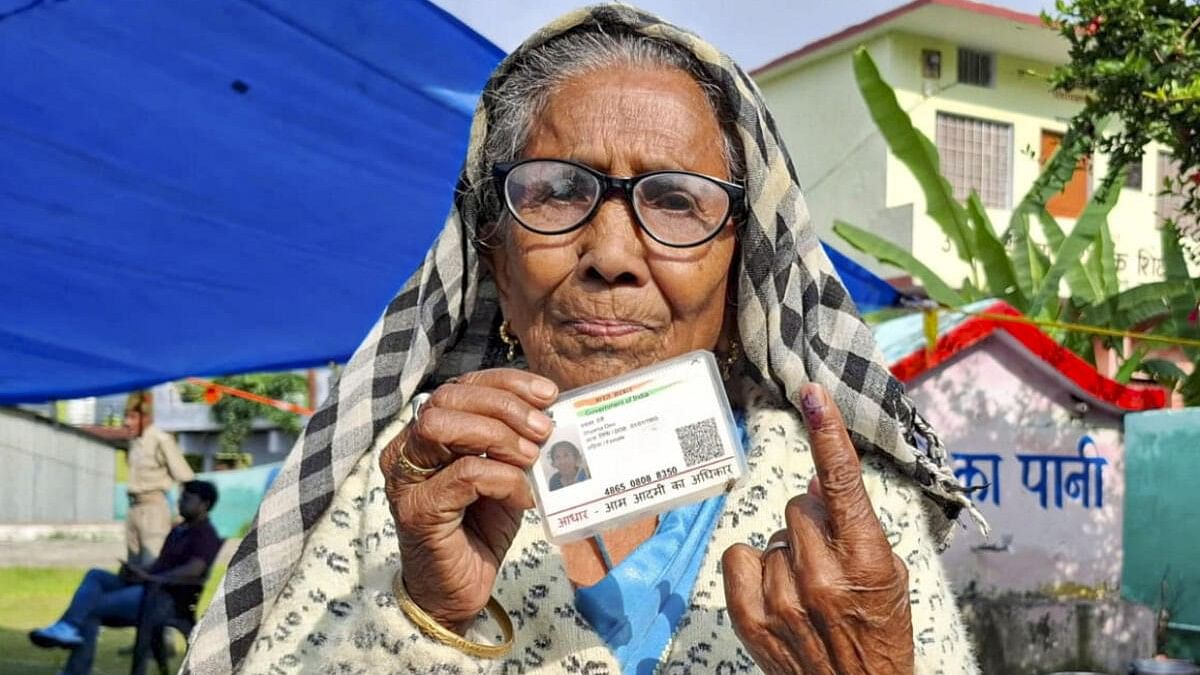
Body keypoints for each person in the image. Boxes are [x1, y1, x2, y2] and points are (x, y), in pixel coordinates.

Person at [184, 6, 985, 674]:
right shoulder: (385, 490)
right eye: (558, 192)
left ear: (742, 258)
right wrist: (430, 610)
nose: (610, 255)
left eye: (675, 200)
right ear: (493, 249)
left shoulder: (855, 519)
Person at [30, 480, 222, 675]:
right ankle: (68, 627)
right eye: (181, 497)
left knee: (93, 609)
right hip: (148, 586)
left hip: (164, 597)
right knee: (95, 575)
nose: (181, 502)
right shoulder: (178, 530)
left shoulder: (205, 534)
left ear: (204, 505)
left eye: (187, 499)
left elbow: (195, 569)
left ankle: (75, 668)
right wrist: (137, 571)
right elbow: (159, 565)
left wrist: (151, 577)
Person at [124, 391, 195, 565]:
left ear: (146, 417)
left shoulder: (161, 440)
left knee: (151, 565)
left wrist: (180, 515)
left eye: (133, 417)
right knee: (132, 570)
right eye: (126, 417)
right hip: (134, 508)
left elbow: (186, 478)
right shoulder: (134, 442)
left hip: (154, 511)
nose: (127, 422)